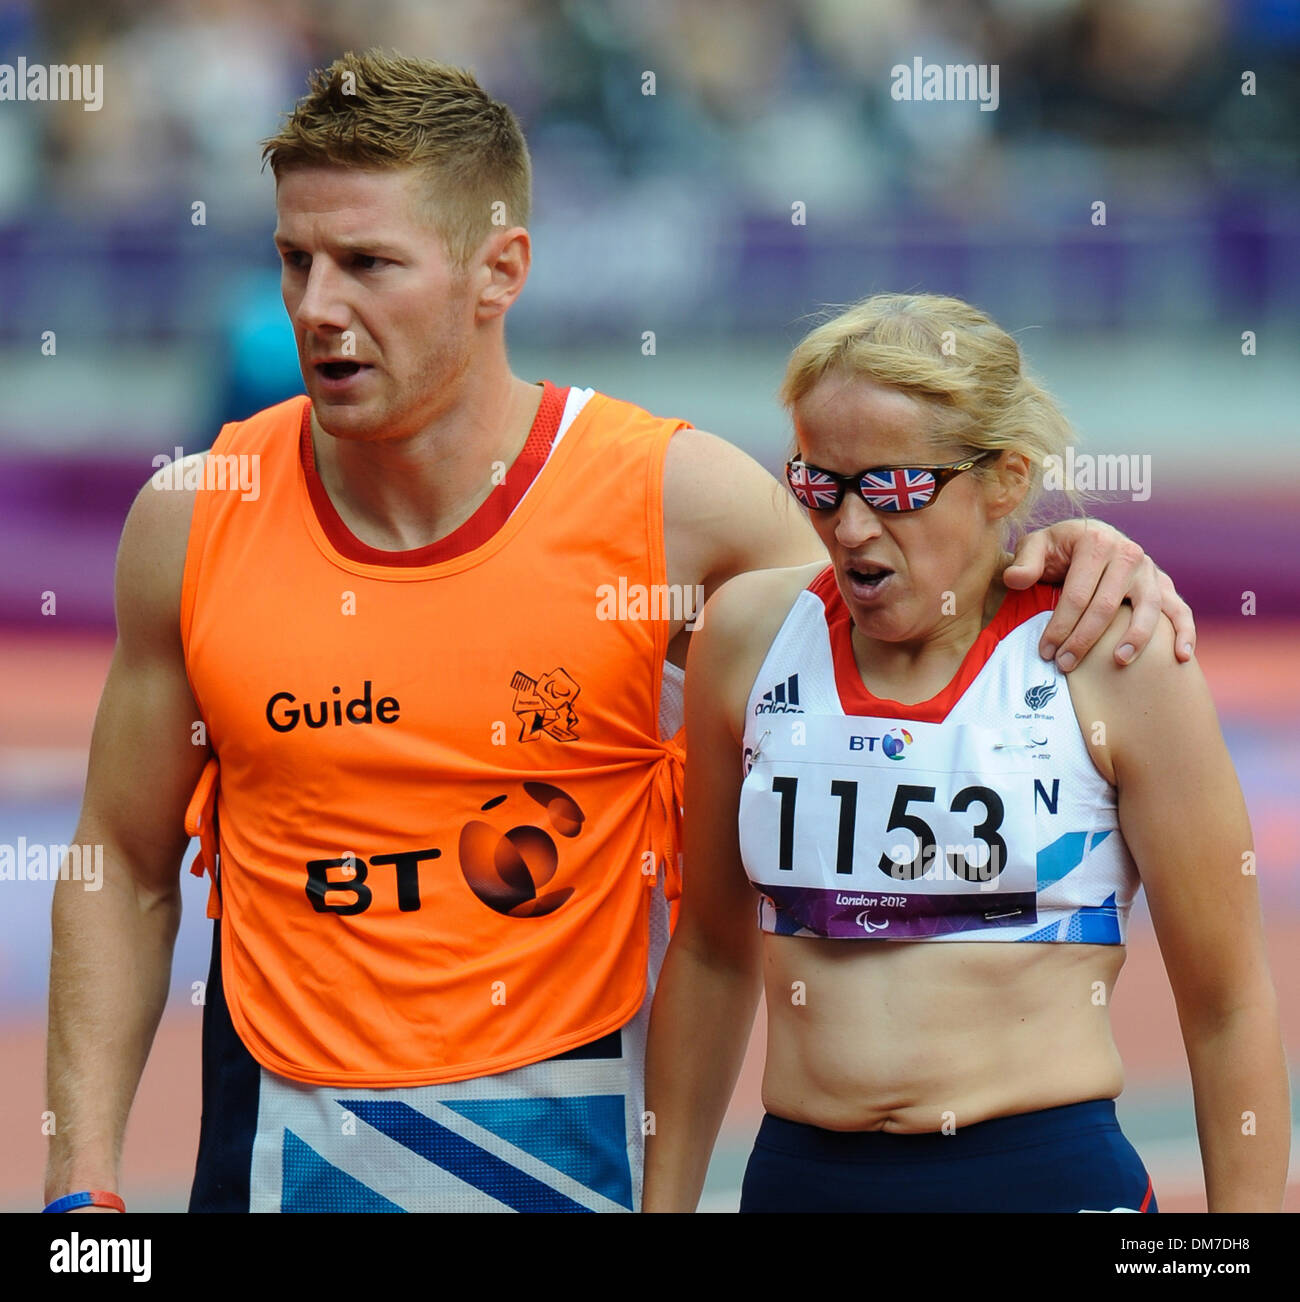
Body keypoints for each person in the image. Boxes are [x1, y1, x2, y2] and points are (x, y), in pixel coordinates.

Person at [45, 55, 1196, 1216]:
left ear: (501, 271)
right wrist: (79, 1189)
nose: (315, 307)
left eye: (368, 264)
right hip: (283, 1157)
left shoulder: (668, 506)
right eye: (293, 260)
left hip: (566, 1158)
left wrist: (1066, 554)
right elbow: (125, 869)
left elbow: (920, 615)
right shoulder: (195, 518)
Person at [642, 292, 1289, 1214]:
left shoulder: (1112, 657)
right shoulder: (747, 635)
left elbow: (1228, 1004)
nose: (852, 526)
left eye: (895, 489)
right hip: (801, 1182)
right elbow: (709, 951)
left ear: (1005, 480)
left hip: (1041, 1179)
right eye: (819, 485)